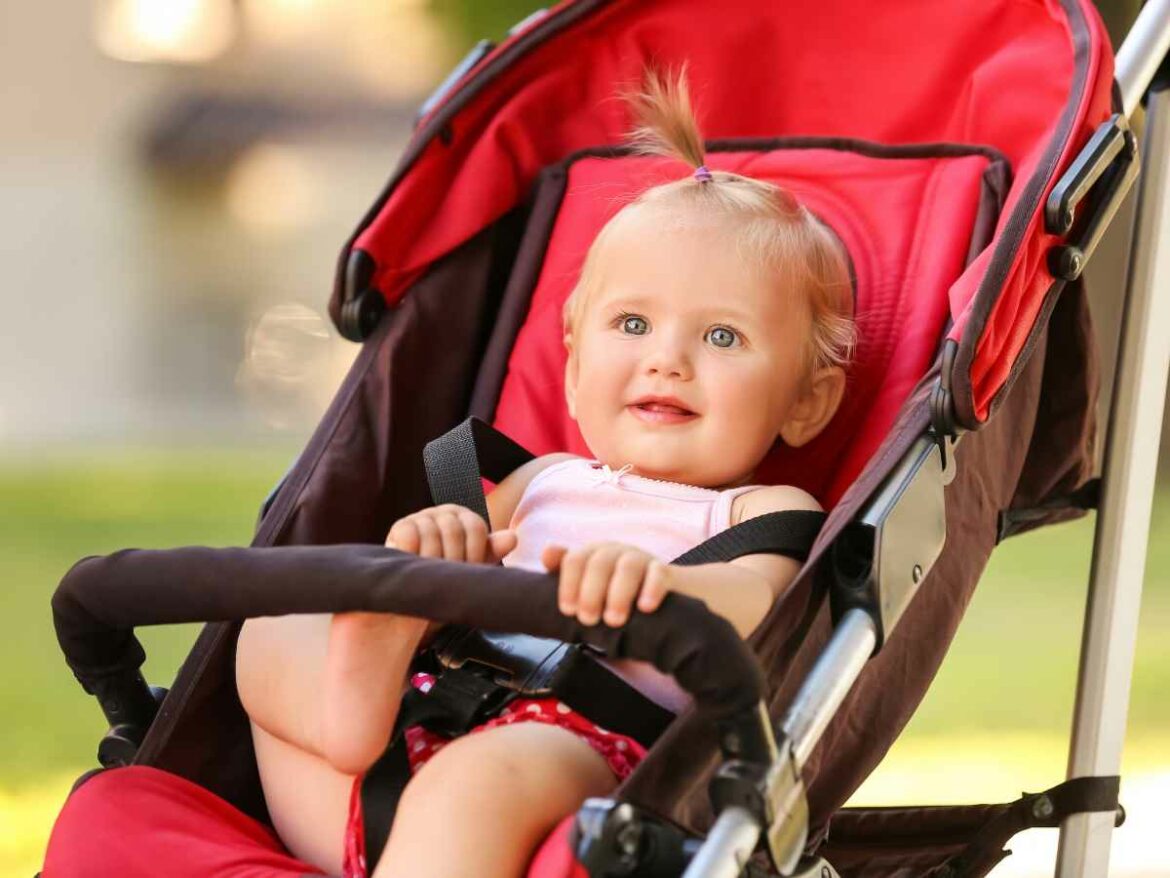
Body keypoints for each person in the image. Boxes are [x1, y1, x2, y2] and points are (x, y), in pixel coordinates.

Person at [234, 67, 855, 878]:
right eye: (632, 323)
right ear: (571, 367)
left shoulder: (757, 511)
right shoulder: (542, 480)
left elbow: (757, 606)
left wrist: (657, 586)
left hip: (572, 755)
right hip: (402, 737)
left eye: (723, 338)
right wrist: (435, 552)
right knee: (268, 628)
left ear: (807, 404)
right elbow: (469, 575)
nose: (666, 360)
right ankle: (356, 696)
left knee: (484, 779)